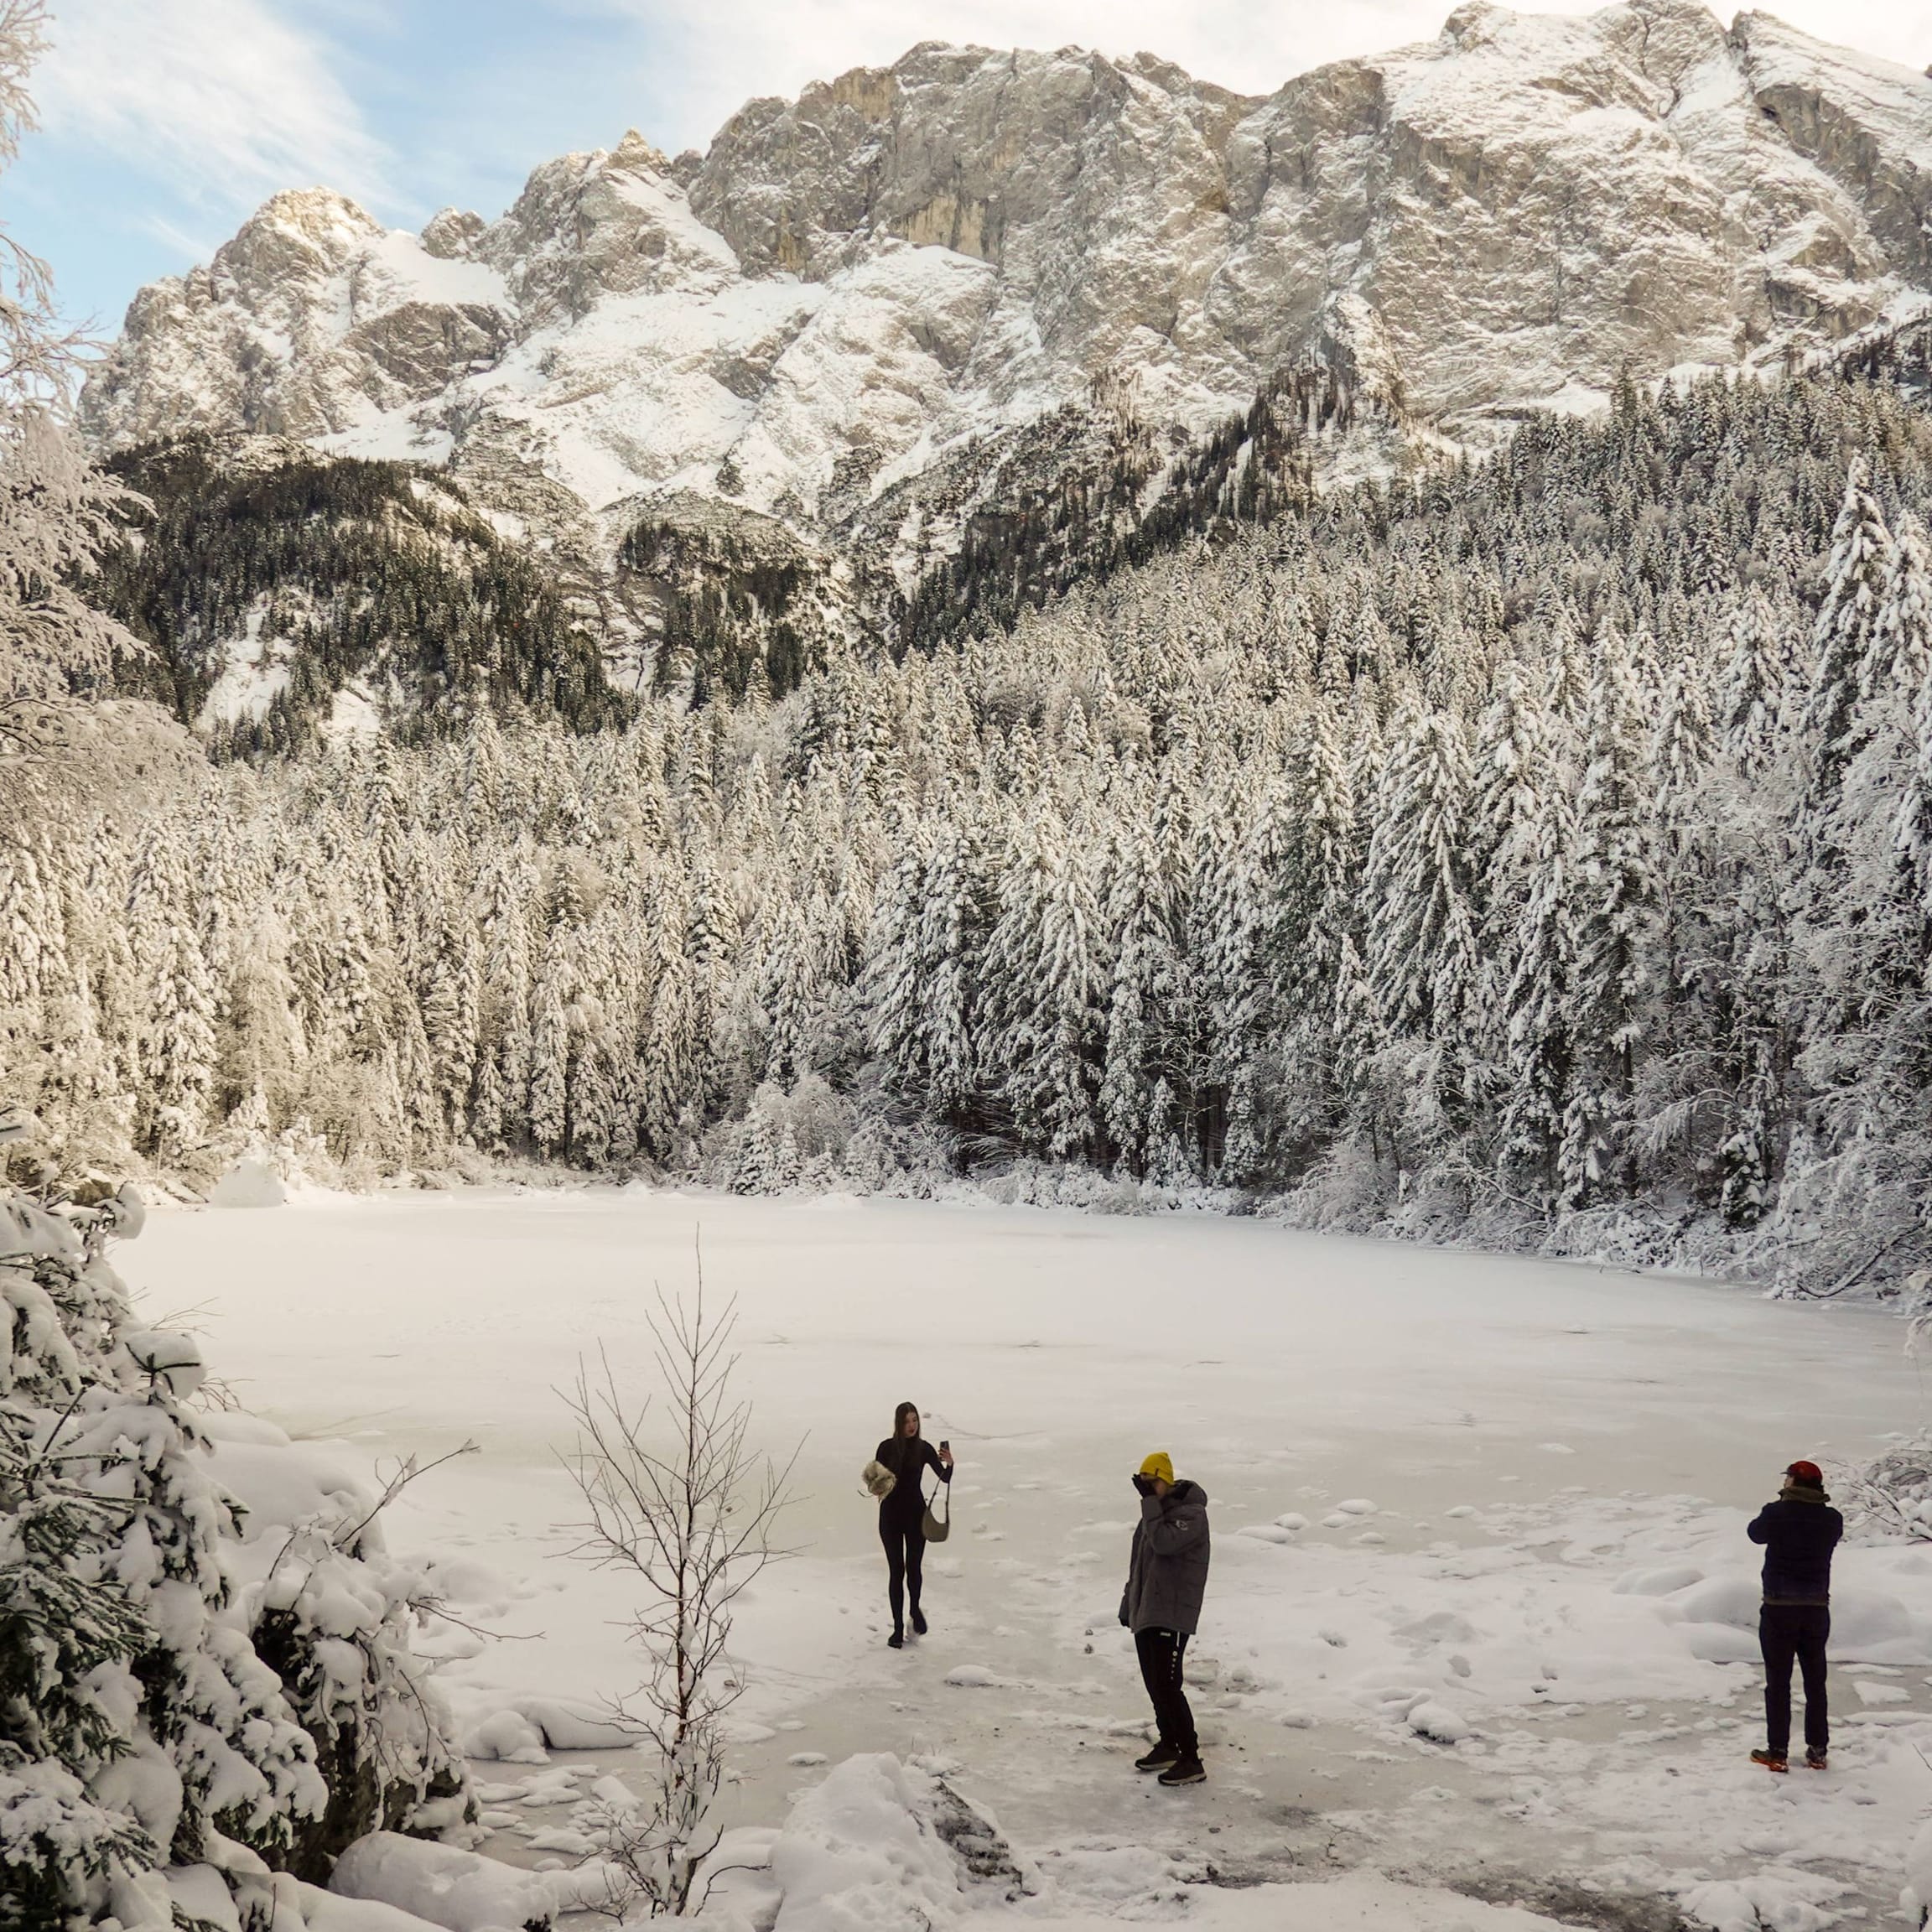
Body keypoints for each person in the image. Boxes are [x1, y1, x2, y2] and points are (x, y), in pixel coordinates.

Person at [1118, 1451, 1211, 1787]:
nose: (1146, 1490)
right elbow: (1139, 1565)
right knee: (1154, 1684)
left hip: (1171, 1614)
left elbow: (1164, 1544)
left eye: (1151, 1483)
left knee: (1169, 1687)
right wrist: (1130, 1603)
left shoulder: (1191, 1515)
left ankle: (1191, 1757)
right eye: (1141, 1485)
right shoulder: (1153, 1515)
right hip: (1149, 1611)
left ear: (1166, 1481)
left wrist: (1150, 1507)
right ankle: (1169, 1744)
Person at [1747, 1457, 1843, 1773]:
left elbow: (1755, 1534)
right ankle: (1817, 1751)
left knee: (1778, 1681)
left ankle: (1777, 1751)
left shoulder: (1776, 1513)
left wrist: (1781, 1503)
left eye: (1787, 1478)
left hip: (1778, 1608)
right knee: (1816, 1681)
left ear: (1792, 1482)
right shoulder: (1832, 1519)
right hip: (1816, 1608)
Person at [875, 1400, 953, 1649]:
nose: (912, 1426)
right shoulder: (886, 1448)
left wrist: (950, 1463)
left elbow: (945, 1477)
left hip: (916, 1516)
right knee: (896, 1572)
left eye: (915, 1420)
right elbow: (874, 1483)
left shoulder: (923, 1449)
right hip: (890, 1516)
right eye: (907, 1421)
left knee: (914, 1569)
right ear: (899, 1423)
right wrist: (877, 1480)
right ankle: (897, 1629)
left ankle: (915, 1610)